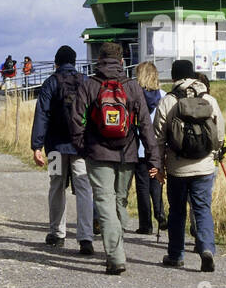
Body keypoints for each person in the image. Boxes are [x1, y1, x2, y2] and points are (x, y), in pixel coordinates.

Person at [71, 42, 159, 275]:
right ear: (122, 61)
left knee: (105, 202)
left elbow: (76, 120)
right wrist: (153, 159)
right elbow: (146, 126)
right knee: (119, 201)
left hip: (98, 153)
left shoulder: (89, 85)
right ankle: (116, 247)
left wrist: (83, 147)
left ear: (99, 60)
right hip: (127, 154)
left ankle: (115, 255)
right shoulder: (132, 87)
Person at [153, 59, 226, 272]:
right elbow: (219, 133)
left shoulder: (168, 101)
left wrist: (159, 166)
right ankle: (206, 249)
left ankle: (176, 255)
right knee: (202, 208)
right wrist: (211, 155)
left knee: (177, 211)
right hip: (204, 167)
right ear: (194, 75)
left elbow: (157, 137)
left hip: (177, 167)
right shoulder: (208, 99)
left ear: (175, 77)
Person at [30, 45, 95, 255]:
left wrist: (36, 145)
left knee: (57, 186)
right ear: (74, 62)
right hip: (81, 147)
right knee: (84, 188)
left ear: (56, 62)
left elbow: (42, 114)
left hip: (56, 147)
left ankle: (57, 233)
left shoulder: (50, 82)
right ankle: (85, 237)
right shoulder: (86, 81)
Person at [132, 61, 166, 236]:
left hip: (139, 148)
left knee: (142, 186)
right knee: (156, 182)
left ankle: (146, 224)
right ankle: (160, 213)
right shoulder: (164, 96)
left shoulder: (135, 95)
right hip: (158, 149)